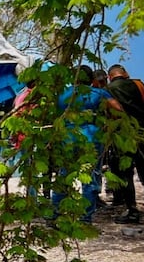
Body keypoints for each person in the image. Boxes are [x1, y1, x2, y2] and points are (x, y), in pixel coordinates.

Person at [50, 66, 121, 222]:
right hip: (91, 139)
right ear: (91, 79)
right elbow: (118, 109)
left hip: (67, 139)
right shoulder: (98, 93)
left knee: (63, 176)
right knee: (89, 179)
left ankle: (55, 215)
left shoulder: (61, 94)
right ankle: (85, 218)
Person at [106, 64, 144, 222]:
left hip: (122, 134)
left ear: (110, 76)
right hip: (143, 133)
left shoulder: (108, 90)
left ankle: (132, 209)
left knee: (126, 172)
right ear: (125, 73)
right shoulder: (139, 84)